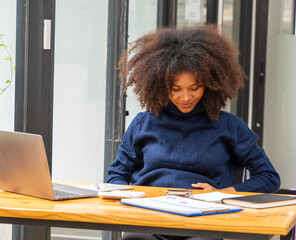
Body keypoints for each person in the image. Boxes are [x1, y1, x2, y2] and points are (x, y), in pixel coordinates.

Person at [106, 25, 280, 240]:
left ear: (209, 84)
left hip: (203, 223)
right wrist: (135, 198)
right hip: (148, 220)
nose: (185, 97)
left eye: (194, 87)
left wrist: (223, 194)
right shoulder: (144, 122)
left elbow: (269, 177)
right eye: (175, 89)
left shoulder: (229, 126)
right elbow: (116, 176)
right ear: (160, 85)